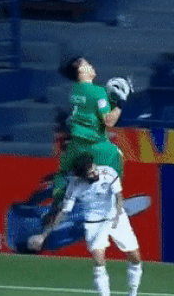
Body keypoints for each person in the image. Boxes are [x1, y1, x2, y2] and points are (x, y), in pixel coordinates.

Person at [29, 152, 149, 296]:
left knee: (135, 257)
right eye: (90, 173)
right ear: (81, 176)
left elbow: (119, 197)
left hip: (116, 217)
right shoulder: (75, 186)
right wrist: (43, 235)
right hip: (94, 223)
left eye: (93, 169)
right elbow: (63, 213)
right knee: (99, 261)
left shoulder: (108, 172)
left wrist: (116, 216)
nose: (94, 173)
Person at [50, 57, 131, 221]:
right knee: (117, 158)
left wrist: (109, 98)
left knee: (62, 175)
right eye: (86, 64)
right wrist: (121, 102)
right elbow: (109, 121)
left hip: (74, 146)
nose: (91, 66)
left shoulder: (74, 91)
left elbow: (89, 106)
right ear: (80, 71)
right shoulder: (98, 92)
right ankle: (112, 206)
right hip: (96, 146)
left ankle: (57, 206)